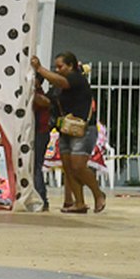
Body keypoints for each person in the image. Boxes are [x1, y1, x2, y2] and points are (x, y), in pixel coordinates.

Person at [32, 52, 106, 213]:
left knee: (78, 166)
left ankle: (98, 194)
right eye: (56, 67)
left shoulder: (76, 79)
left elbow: (62, 82)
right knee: (69, 168)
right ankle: (79, 203)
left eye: (60, 66)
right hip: (65, 130)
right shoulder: (58, 88)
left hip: (83, 130)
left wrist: (39, 69)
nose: (57, 70)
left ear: (71, 66)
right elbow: (48, 102)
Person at [32, 73, 52, 211]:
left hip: (40, 133)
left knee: (35, 166)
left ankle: (42, 198)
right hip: (38, 133)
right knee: (34, 166)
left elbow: (43, 102)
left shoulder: (39, 96)